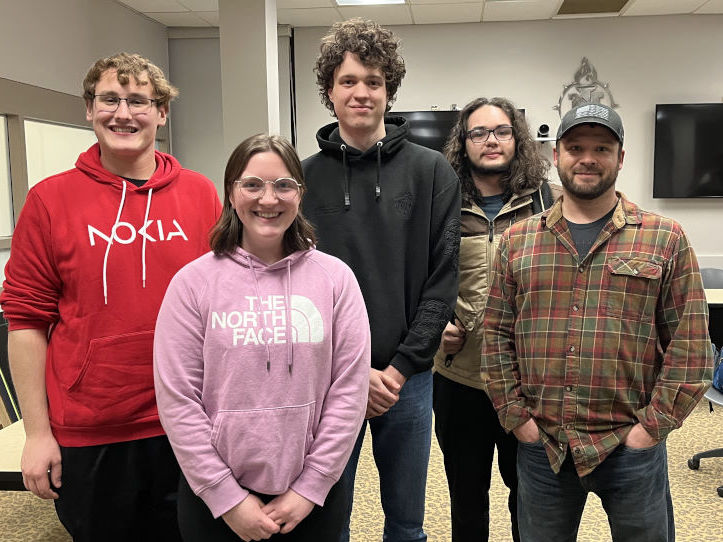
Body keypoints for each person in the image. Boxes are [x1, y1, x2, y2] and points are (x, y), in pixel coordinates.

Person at [0, 52, 221, 541]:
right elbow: (25, 323)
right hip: (92, 429)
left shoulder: (200, 194)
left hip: (186, 422)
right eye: (109, 99)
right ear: (88, 108)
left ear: (162, 112)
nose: (124, 113)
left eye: (139, 101)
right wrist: (37, 434)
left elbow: (226, 304)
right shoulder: (50, 200)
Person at [481, 103, 713, 542]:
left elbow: (691, 345)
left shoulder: (664, 238)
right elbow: (494, 336)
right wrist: (517, 419)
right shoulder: (517, 241)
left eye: (602, 148)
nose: (588, 158)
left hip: (631, 445)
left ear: (620, 158)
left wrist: (651, 429)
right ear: (556, 156)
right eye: (575, 147)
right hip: (544, 445)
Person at [153, 134, 371, 542]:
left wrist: (311, 486)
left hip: (311, 496)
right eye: (252, 184)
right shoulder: (192, 283)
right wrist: (227, 497)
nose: (268, 199)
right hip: (216, 499)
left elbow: (350, 390)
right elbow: (178, 398)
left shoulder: (336, 279)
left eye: (283, 185)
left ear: (300, 194)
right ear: (231, 193)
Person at [301, 18, 460, 542]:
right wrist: (348, 371)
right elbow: (291, 283)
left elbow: (442, 279)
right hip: (325, 380)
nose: (361, 92)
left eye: (373, 81)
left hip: (407, 380)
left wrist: (398, 368)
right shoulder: (301, 178)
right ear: (329, 90)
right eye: (348, 81)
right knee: (326, 518)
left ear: (390, 89)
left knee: (407, 523)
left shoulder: (432, 171)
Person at [432, 97, 561, 542]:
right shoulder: (442, 203)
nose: (491, 141)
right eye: (479, 132)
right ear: (462, 142)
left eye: (501, 131)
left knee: (530, 497)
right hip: (459, 379)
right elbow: (420, 278)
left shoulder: (548, 203)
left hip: (529, 383)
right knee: (467, 502)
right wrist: (435, 329)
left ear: (517, 138)